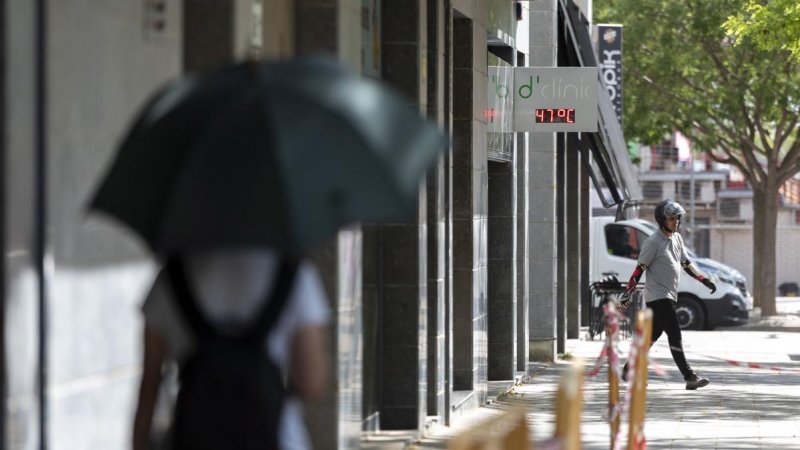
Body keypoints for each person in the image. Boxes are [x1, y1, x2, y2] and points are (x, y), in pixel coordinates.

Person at [132, 249, 330, 450]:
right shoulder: (295, 275)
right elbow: (311, 382)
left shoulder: (170, 278)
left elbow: (149, 387)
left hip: (194, 438)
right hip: (279, 437)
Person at [618, 199, 716, 390]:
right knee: (675, 335)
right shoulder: (653, 242)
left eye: (678, 218)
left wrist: (704, 280)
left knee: (651, 336)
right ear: (662, 220)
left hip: (669, 295)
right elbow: (639, 270)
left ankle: (628, 370)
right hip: (658, 297)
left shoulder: (677, 239)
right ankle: (689, 376)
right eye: (671, 219)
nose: (676, 222)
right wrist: (626, 295)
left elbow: (686, 264)